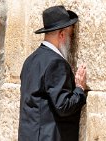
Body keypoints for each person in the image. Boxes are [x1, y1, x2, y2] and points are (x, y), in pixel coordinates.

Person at [18, 5, 87, 141]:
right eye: (70, 35)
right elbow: (63, 106)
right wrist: (79, 89)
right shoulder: (56, 63)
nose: (70, 40)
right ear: (62, 34)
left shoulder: (30, 60)